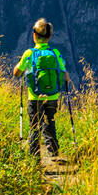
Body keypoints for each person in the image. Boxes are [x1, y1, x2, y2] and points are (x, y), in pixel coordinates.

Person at [13, 18, 69, 160]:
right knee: (49, 120)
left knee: (34, 125)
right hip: (52, 96)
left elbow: (16, 73)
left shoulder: (29, 53)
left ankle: (34, 157)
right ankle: (54, 151)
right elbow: (65, 74)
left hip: (35, 97)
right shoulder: (56, 53)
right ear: (49, 37)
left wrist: (21, 68)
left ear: (34, 35)